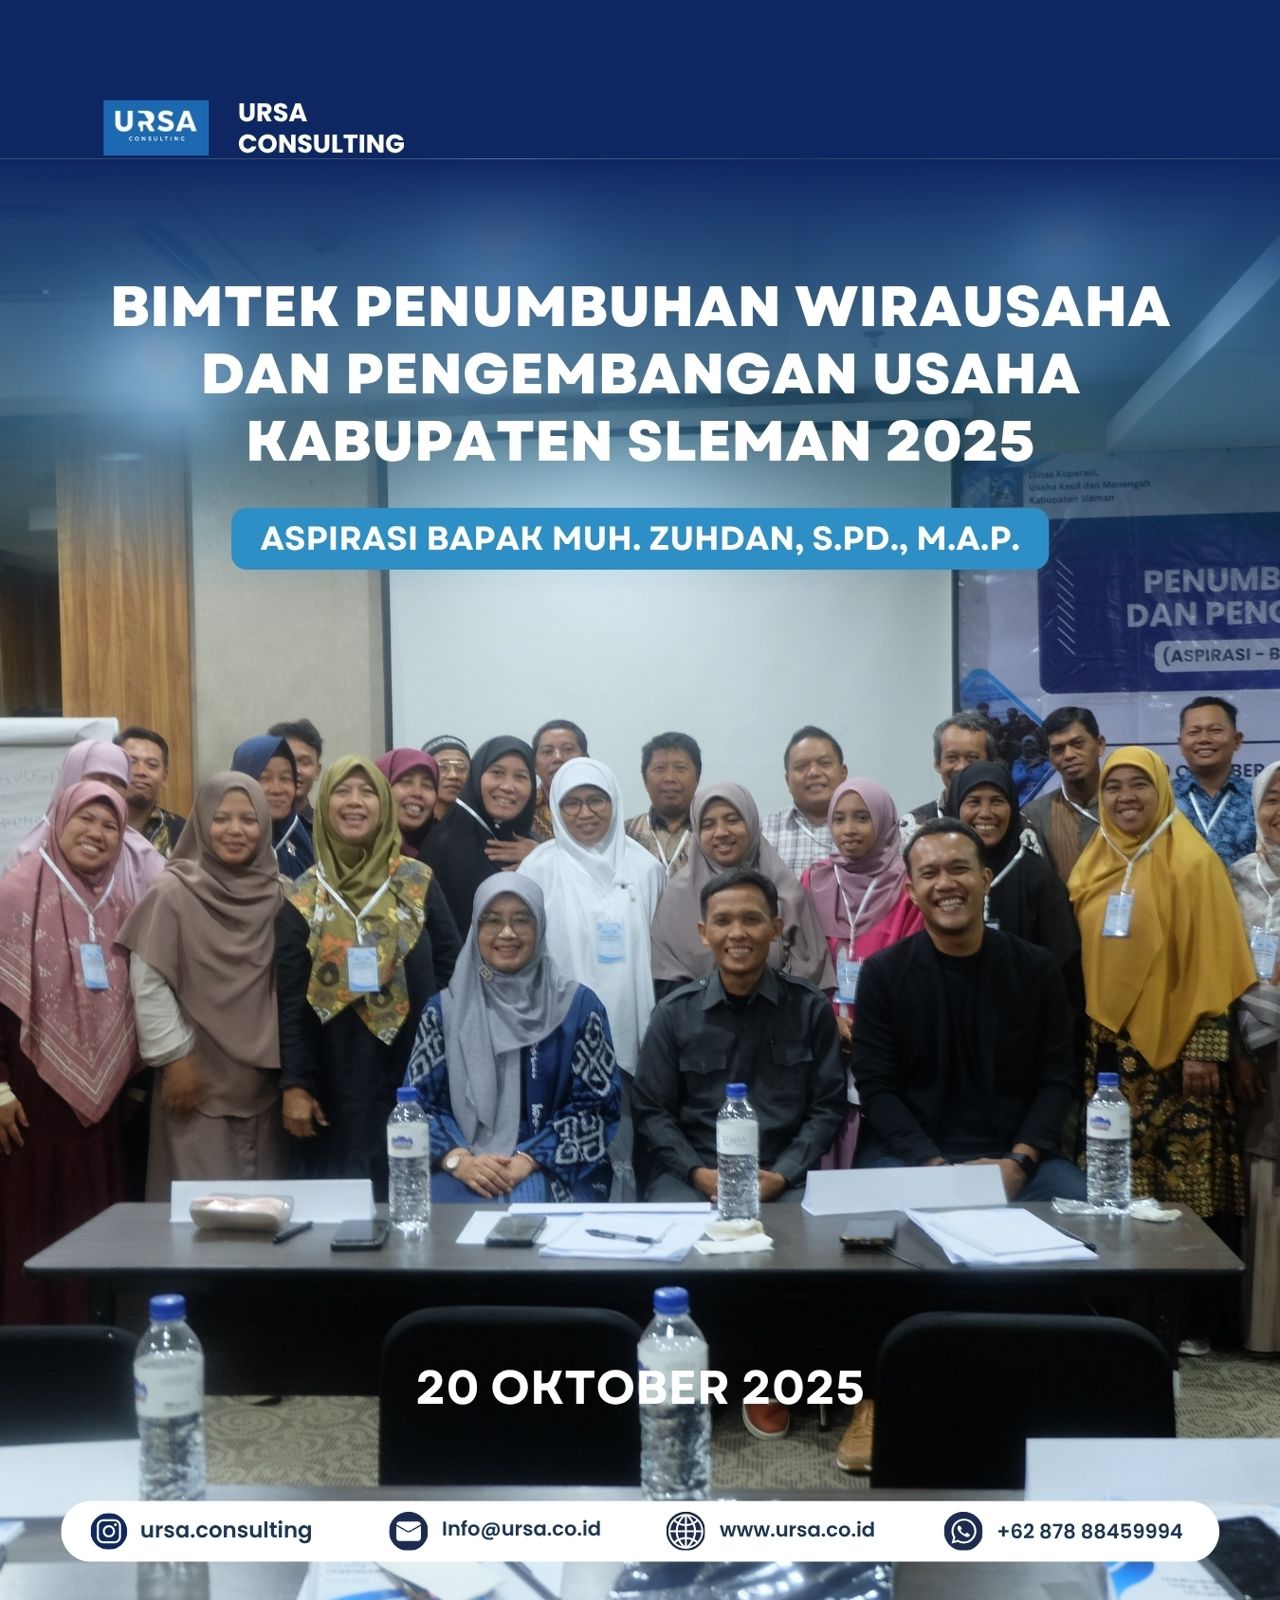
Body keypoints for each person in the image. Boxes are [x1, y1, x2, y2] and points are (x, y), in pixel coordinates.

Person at [1069, 747, 1254, 1229]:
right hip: (1110, 1052)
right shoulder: (1092, 862)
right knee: (1115, 1189)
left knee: (1181, 1198)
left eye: (1140, 785)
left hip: (1179, 1056)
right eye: (1113, 787)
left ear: (1162, 791)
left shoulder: (1194, 862)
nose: (1125, 797)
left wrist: (1204, 1049)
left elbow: (1215, 957)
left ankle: (1186, 1278)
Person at [275, 757, 461, 1196]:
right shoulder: (303, 895)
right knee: (342, 1204)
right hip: (333, 1079)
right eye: (342, 791)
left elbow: (452, 970)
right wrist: (296, 1084)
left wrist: (444, 1056)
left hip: (415, 1072)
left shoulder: (417, 882)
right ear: (325, 804)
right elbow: (289, 1001)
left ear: (384, 805)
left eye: (367, 791)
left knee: (412, 1196)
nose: (355, 802)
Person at [0, 782, 138, 1322]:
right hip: (25, 1109)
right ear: (58, 819)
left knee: (93, 1226)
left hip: (101, 1117)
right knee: (31, 1229)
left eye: (110, 825)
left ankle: (92, 1341)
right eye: (85, 818)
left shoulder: (123, 905)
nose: (96, 833)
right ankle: (31, 1349)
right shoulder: (15, 893)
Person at [633, 865, 844, 1203]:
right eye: (722, 921)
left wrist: (784, 1174)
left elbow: (827, 1107)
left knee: (807, 1231)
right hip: (694, 1178)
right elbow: (651, 1111)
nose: (737, 933)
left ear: (775, 928)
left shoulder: (809, 1008)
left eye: (752, 919)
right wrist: (697, 1173)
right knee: (677, 1229)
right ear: (704, 932)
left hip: (782, 1178)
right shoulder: (673, 1014)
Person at [405, 875, 621, 1203]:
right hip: (462, 1164)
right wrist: (459, 1160)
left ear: (540, 927)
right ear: (475, 930)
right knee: (440, 1217)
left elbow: (597, 1108)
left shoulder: (578, 1007)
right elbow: (416, 1106)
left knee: (536, 1212)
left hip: (555, 1165)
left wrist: (529, 1159)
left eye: (521, 920)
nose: (507, 933)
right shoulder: (444, 1011)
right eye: (492, 921)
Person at [120, 774, 287, 1195]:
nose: (235, 830)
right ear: (200, 822)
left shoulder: (280, 894)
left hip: (265, 1085)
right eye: (221, 818)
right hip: (195, 1077)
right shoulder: (172, 891)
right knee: (199, 1209)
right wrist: (174, 1058)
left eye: (248, 819)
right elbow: (150, 983)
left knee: (267, 1208)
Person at [523, 758, 665, 1199]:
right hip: (559, 1032)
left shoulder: (646, 869)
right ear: (555, 808)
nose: (585, 813)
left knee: (624, 1144)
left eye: (596, 801)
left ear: (614, 803)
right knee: (567, 1141)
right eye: (572, 803)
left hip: (631, 1031)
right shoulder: (537, 868)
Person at [802, 778, 923, 1165]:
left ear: (884, 822)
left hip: (885, 1035)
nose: (848, 830)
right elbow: (801, 960)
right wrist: (827, 1019)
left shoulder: (907, 888)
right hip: (822, 1032)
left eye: (861, 818)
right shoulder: (813, 880)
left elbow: (911, 969)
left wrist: (867, 1026)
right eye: (838, 819)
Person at [650, 781, 834, 997]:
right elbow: (668, 977)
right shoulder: (677, 897)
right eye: (708, 825)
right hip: (697, 1014)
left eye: (732, 820)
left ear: (751, 823)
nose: (721, 832)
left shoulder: (785, 887)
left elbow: (809, 968)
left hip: (780, 1010)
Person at [1227, 760, 1280, 1354]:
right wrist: (1238, 1052)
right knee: (1264, 1173)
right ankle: (1264, 1328)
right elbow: (1223, 971)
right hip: (1256, 1052)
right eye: (1273, 798)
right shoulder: (1234, 879)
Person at [944, 762, 1081, 985]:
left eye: (997, 801)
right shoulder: (942, 876)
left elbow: (1064, 965)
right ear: (956, 807)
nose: (985, 813)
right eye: (974, 802)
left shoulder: (1039, 879)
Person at [4, 739, 165, 898]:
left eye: (118, 783)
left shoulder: (143, 858)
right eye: (97, 778)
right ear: (71, 778)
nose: (106, 789)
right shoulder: (27, 857)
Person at [418, 736, 538, 935]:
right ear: (477, 776)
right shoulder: (440, 847)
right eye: (497, 773)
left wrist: (542, 857)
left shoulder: (536, 847)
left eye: (520, 776)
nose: (508, 786)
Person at [1024, 706, 1106, 881]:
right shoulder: (1035, 816)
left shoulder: (1126, 805)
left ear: (1100, 745)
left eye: (1077, 744)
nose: (1068, 755)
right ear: (1050, 757)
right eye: (1058, 749)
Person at [1173, 696, 1254, 867]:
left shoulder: (1258, 799)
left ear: (1237, 740)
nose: (1204, 739)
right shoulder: (1162, 799)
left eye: (1215, 730)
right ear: (1181, 743)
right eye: (1194, 732)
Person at [761, 725, 848, 873]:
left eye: (824, 763)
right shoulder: (763, 833)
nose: (814, 772)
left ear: (843, 773)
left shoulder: (868, 827)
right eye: (801, 767)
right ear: (787, 780)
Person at [900, 712, 997, 843]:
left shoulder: (1015, 825)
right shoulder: (912, 826)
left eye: (972, 758)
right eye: (952, 758)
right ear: (937, 764)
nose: (961, 767)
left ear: (990, 763)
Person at [231, 734, 315, 879]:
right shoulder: (226, 841)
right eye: (264, 778)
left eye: (285, 778)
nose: (277, 789)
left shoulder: (301, 840)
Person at [624, 731, 702, 878]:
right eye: (659, 769)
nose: (669, 778)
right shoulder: (625, 834)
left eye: (680, 769)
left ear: (697, 777)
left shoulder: (712, 831)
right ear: (644, 779)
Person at [116, 725, 186, 855]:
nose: (141, 771)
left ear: (164, 777)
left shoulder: (182, 832)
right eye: (131, 762)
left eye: (152, 765)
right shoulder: (95, 825)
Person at [375, 748, 440, 859]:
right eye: (406, 782)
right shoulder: (359, 853)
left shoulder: (445, 853)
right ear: (381, 789)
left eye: (427, 785)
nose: (417, 793)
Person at [530, 719, 588, 841]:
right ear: (534, 765)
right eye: (547, 751)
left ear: (585, 759)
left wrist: (538, 850)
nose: (558, 758)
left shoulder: (601, 805)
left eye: (568, 749)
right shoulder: (522, 809)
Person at [267, 717, 323, 828]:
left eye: (304, 762)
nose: (295, 770)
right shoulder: (253, 827)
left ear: (317, 771)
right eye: (287, 761)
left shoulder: (325, 831)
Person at [423, 735, 470, 826]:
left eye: (461, 767)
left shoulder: (480, 825)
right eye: (443, 767)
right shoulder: (412, 824)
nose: (453, 775)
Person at [1011, 733, 1052, 806]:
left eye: (1031, 745)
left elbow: (1052, 780)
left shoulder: (1044, 762)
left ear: (1036, 746)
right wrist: (1029, 767)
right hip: (1023, 799)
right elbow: (1015, 783)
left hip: (1042, 795)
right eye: (1026, 746)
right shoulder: (1018, 764)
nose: (1029, 748)